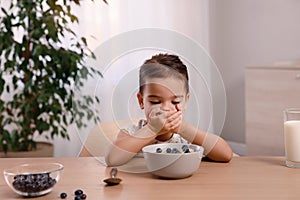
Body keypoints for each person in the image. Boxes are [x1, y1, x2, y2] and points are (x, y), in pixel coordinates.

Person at [105, 53, 233, 166]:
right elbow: (112, 159)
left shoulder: (186, 137)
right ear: (141, 101)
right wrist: (151, 129)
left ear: (186, 101)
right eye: (155, 102)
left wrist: (184, 129)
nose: (166, 108)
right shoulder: (133, 132)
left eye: (175, 102)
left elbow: (226, 155)